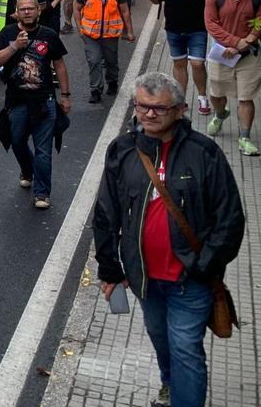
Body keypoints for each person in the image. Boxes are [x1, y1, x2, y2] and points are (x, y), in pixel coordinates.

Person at [93, 72, 245, 407]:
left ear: (180, 110)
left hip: (190, 281)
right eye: (142, 106)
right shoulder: (122, 149)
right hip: (145, 280)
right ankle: (169, 385)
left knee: (186, 348)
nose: (148, 114)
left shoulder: (204, 153)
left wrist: (204, 266)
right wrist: (110, 269)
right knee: (162, 340)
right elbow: (105, 212)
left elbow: (230, 218)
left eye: (159, 108)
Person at [0, 0, 72, 209]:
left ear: (39, 10)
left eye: (30, 9)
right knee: (17, 141)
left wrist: (65, 96)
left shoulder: (49, 35)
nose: (27, 12)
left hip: (44, 101)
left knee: (43, 149)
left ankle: (42, 193)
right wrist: (14, 46)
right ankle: (27, 170)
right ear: (17, 13)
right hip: (17, 101)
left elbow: (60, 65)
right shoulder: (8, 33)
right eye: (23, 9)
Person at [147, 0, 215, 116]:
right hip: (173, 29)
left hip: (197, 28)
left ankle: (202, 97)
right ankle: (180, 99)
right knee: (179, 64)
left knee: (197, 64)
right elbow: (156, 1)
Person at [203, 0, 261, 155]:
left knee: (246, 97)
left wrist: (247, 41)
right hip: (222, 54)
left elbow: (258, 24)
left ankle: (244, 138)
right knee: (216, 93)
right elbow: (211, 25)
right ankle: (220, 114)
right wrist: (236, 43)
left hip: (249, 55)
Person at [75, 0, 135, 104]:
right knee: (94, 61)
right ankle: (95, 90)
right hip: (90, 35)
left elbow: (125, 11)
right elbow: (76, 9)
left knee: (111, 61)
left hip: (110, 35)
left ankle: (112, 81)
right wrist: (80, 29)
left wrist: (130, 32)